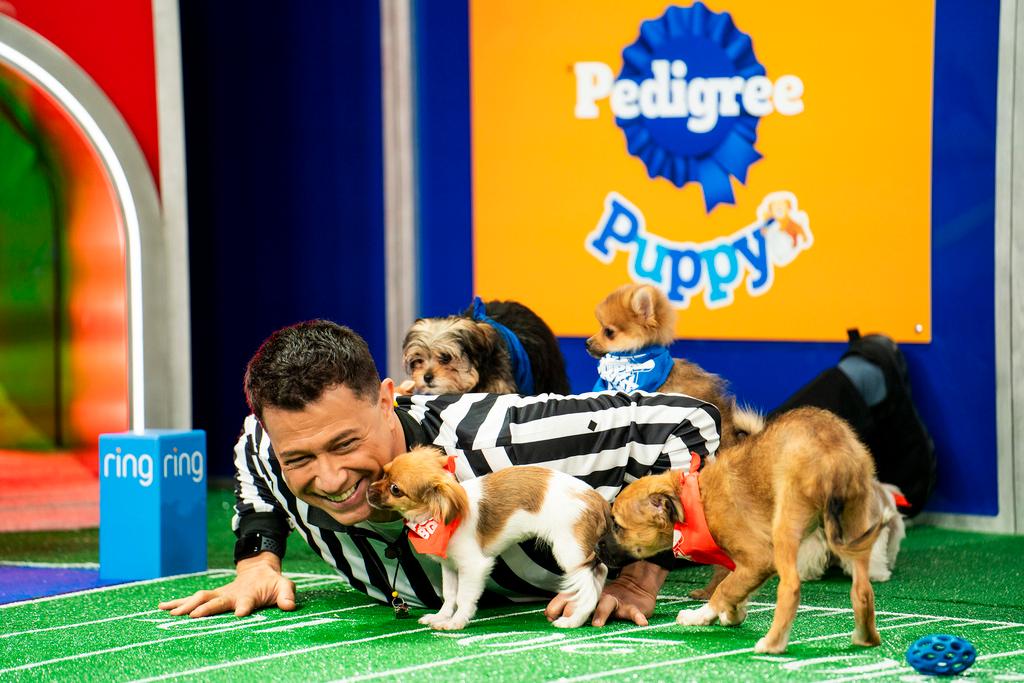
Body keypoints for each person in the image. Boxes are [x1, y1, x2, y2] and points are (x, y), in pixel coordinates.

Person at [158, 320, 934, 624]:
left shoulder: (496, 438)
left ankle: (867, 374)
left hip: (698, 474)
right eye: (303, 457)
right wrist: (257, 558)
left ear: (392, 400)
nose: (328, 478)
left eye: (345, 446)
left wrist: (648, 567)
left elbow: (684, 421)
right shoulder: (270, 448)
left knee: (789, 467)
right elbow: (254, 470)